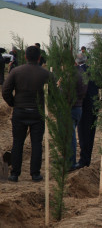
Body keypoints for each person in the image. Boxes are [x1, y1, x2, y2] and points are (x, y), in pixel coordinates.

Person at [2, 46, 51, 182]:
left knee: (17, 143)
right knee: (36, 143)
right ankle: (35, 174)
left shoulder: (16, 71)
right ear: (39, 58)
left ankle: (14, 174)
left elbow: (5, 91)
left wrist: (14, 103)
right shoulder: (45, 74)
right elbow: (54, 94)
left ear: (25, 57)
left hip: (20, 112)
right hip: (37, 113)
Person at [76, 53, 99, 169]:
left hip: (83, 106)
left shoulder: (78, 72)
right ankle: (87, 159)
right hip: (95, 105)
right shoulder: (94, 71)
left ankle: (83, 160)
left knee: (83, 134)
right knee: (91, 133)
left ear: (76, 61)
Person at [68, 54, 88, 171]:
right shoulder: (83, 73)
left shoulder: (71, 75)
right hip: (79, 107)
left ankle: (70, 163)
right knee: (71, 135)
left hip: (71, 107)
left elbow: (67, 93)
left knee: (70, 136)